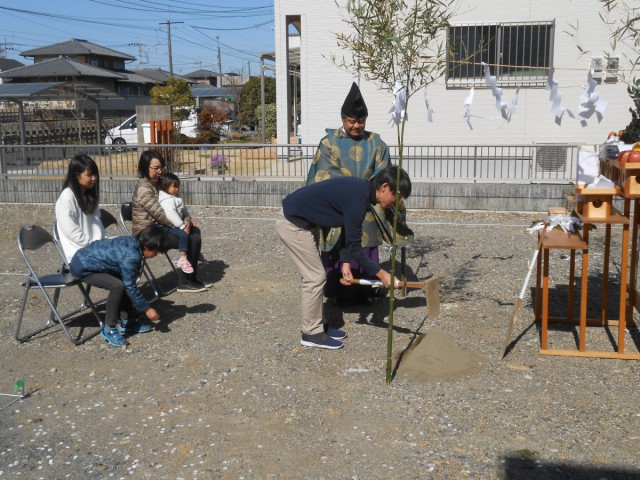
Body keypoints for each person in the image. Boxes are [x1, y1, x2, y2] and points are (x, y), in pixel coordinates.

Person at [275, 166, 412, 350]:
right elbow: (356, 248)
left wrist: (345, 262)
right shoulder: (358, 198)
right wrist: (382, 275)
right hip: (293, 224)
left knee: (314, 277)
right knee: (315, 278)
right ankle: (311, 334)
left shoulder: (362, 192)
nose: (397, 202)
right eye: (398, 196)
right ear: (385, 187)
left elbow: (348, 229)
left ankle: (319, 325)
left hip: (307, 224)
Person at [306, 82, 411, 306]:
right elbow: (323, 174)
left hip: (368, 207)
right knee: (338, 247)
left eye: (360, 121)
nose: (356, 126)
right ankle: (335, 291)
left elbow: (384, 179)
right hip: (337, 205)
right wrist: (350, 190)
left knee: (364, 247)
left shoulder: (377, 144)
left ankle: (367, 290)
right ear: (343, 119)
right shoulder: (328, 143)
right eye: (351, 121)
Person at [69, 224, 169, 347]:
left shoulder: (133, 242)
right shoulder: (130, 256)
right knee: (118, 286)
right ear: (147, 247)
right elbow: (130, 286)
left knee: (126, 280)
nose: (156, 255)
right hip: (83, 268)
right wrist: (147, 309)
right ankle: (109, 328)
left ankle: (127, 321)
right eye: (156, 252)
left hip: (90, 260)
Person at [131, 150, 207, 292]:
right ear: (144, 168)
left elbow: (176, 205)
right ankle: (185, 281)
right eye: (156, 168)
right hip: (147, 232)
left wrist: (187, 219)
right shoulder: (144, 189)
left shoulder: (159, 183)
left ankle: (191, 277)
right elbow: (160, 214)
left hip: (160, 227)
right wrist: (181, 226)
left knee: (195, 232)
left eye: (162, 167)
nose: (160, 171)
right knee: (190, 238)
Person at [54, 154, 105, 264]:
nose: (94, 178)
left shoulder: (89, 195)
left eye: (95, 174)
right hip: (79, 255)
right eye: (90, 175)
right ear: (77, 176)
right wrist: (91, 245)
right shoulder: (67, 197)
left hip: (95, 249)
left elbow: (97, 224)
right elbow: (71, 231)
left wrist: (100, 244)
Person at [158, 172, 206, 274]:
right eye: (174, 186)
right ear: (165, 186)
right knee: (183, 235)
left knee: (196, 229)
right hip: (167, 226)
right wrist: (182, 226)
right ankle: (182, 259)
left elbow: (183, 209)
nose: (177, 189)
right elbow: (171, 215)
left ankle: (196, 252)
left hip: (178, 223)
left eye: (178, 186)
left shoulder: (176, 197)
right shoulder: (167, 200)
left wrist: (189, 218)